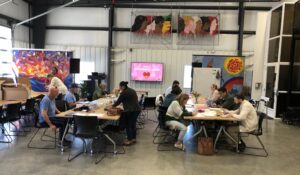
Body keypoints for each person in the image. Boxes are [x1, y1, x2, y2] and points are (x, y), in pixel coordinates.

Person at [111, 81, 141, 145]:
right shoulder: (132, 90)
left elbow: (118, 102)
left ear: (123, 86)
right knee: (133, 124)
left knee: (128, 125)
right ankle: (133, 138)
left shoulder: (124, 92)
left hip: (131, 110)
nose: (119, 88)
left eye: (120, 87)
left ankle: (129, 140)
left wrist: (111, 106)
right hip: (137, 109)